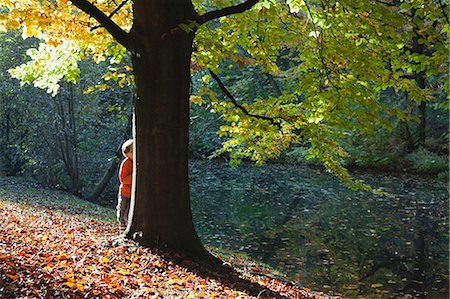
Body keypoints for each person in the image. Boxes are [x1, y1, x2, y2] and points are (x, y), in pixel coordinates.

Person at [117, 139, 133, 231]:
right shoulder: (126, 163)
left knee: (129, 212)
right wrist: (134, 176)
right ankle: (122, 227)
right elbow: (123, 179)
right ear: (126, 154)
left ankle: (128, 226)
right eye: (131, 151)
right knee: (122, 210)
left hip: (133, 194)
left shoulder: (138, 163)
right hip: (125, 192)